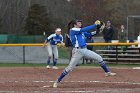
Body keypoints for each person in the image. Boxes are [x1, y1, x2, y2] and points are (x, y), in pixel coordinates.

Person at [53, 19, 116, 88]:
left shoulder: (81, 32)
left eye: (80, 23)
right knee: (69, 68)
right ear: (75, 25)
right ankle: (57, 81)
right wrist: (95, 24)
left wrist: (97, 30)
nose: (80, 24)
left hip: (85, 50)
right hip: (77, 51)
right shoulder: (73, 30)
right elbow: (84, 29)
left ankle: (107, 72)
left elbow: (90, 35)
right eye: (79, 23)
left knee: (99, 58)